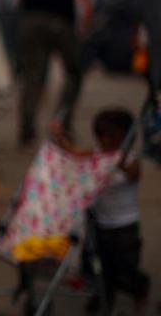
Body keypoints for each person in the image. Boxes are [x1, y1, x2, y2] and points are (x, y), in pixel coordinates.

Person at [50, 109, 149, 314]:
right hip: (100, 224)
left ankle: (140, 288)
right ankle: (105, 300)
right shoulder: (97, 154)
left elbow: (133, 174)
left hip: (124, 227)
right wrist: (59, 136)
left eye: (111, 136)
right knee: (101, 268)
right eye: (101, 135)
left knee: (125, 269)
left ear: (124, 138)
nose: (104, 141)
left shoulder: (130, 160)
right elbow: (74, 154)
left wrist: (117, 160)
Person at [9, 0, 91, 146]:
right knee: (75, 72)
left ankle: (27, 129)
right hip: (61, 21)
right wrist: (86, 13)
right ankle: (62, 122)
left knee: (33, 76)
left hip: (31, 20)